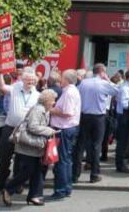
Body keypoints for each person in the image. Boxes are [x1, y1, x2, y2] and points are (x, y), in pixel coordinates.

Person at [2, 89, 58, 206]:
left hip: (36, 146)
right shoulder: (38, 110)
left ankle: (35, 196)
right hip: (28, 146)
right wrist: (49, 130)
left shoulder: (45, 110)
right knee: (28, 171)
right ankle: (8, 189)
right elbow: (33, 127)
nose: (54, 102)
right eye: (53, 100)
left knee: (38, 171)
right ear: (47, 100)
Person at [0, 70, 39, 193]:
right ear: (22, 80)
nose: (30, 82)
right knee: (4, 156)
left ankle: (17, 184)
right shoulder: (15, 88)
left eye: (33, 80)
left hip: (25, 131)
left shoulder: (37, 95)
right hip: (10, 128)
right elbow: (1, 87)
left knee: (21, 159)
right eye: (28, 79)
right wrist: (0, 73)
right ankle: (0, 183)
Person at [77, 63, 118, 183]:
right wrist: (108, 80)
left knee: (80, 145)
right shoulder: (103, 83)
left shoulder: (84, 82)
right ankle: (94, 174)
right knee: (96, 145)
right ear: (102, 72)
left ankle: (75, 174)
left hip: (84, 115)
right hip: (98, 117)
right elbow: (117, 91)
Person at [48, 69, 80, 201]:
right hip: (67, 128)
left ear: (66, 79)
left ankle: (61, 189)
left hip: (64, 129)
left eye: (62, 78)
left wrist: (51, 110)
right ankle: (66, 187)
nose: (60, 80)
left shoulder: (69, 93)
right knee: (65, 159)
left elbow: (67, 112)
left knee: (61, 160)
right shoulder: (69, 91)